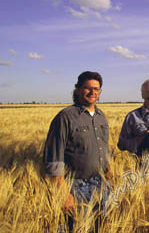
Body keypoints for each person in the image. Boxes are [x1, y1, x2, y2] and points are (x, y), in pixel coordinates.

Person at [43, 71, 112, 233]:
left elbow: (105, 147)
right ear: (78, 89)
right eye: (87, 88)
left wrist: (109, 171)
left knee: (98, 227)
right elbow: (54, 156)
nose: (92, 92)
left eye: (96, 89)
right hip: (75, 186)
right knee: (76, 228)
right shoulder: (65, 117)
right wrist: (63, 192)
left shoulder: (102, 117)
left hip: (100, 184)